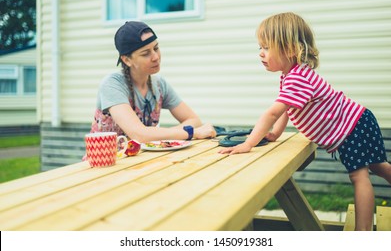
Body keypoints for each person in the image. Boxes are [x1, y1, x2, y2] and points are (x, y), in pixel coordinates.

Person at [219, 12, 391, 231]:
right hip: (357, 122)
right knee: (379, 166)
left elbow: (273, 112)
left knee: (360, 176)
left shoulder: (298, 78)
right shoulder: (290, 76)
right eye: (259, 48)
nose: (260, 53)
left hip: (354, 127)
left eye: (266, 47)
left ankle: (362, 233)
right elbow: (287, 109)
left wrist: (248, 143)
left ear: (290, 49)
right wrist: (275, 134)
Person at [88, 21, 216, 143]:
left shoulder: (159, 84)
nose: (155, 57)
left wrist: (158, 135)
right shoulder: (112, 85)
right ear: (127, 60)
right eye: (145, 53)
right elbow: (140, 135)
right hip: (107, 164)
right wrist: (191, 133)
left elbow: (194, 120)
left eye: (156, 48)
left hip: (144, 162)